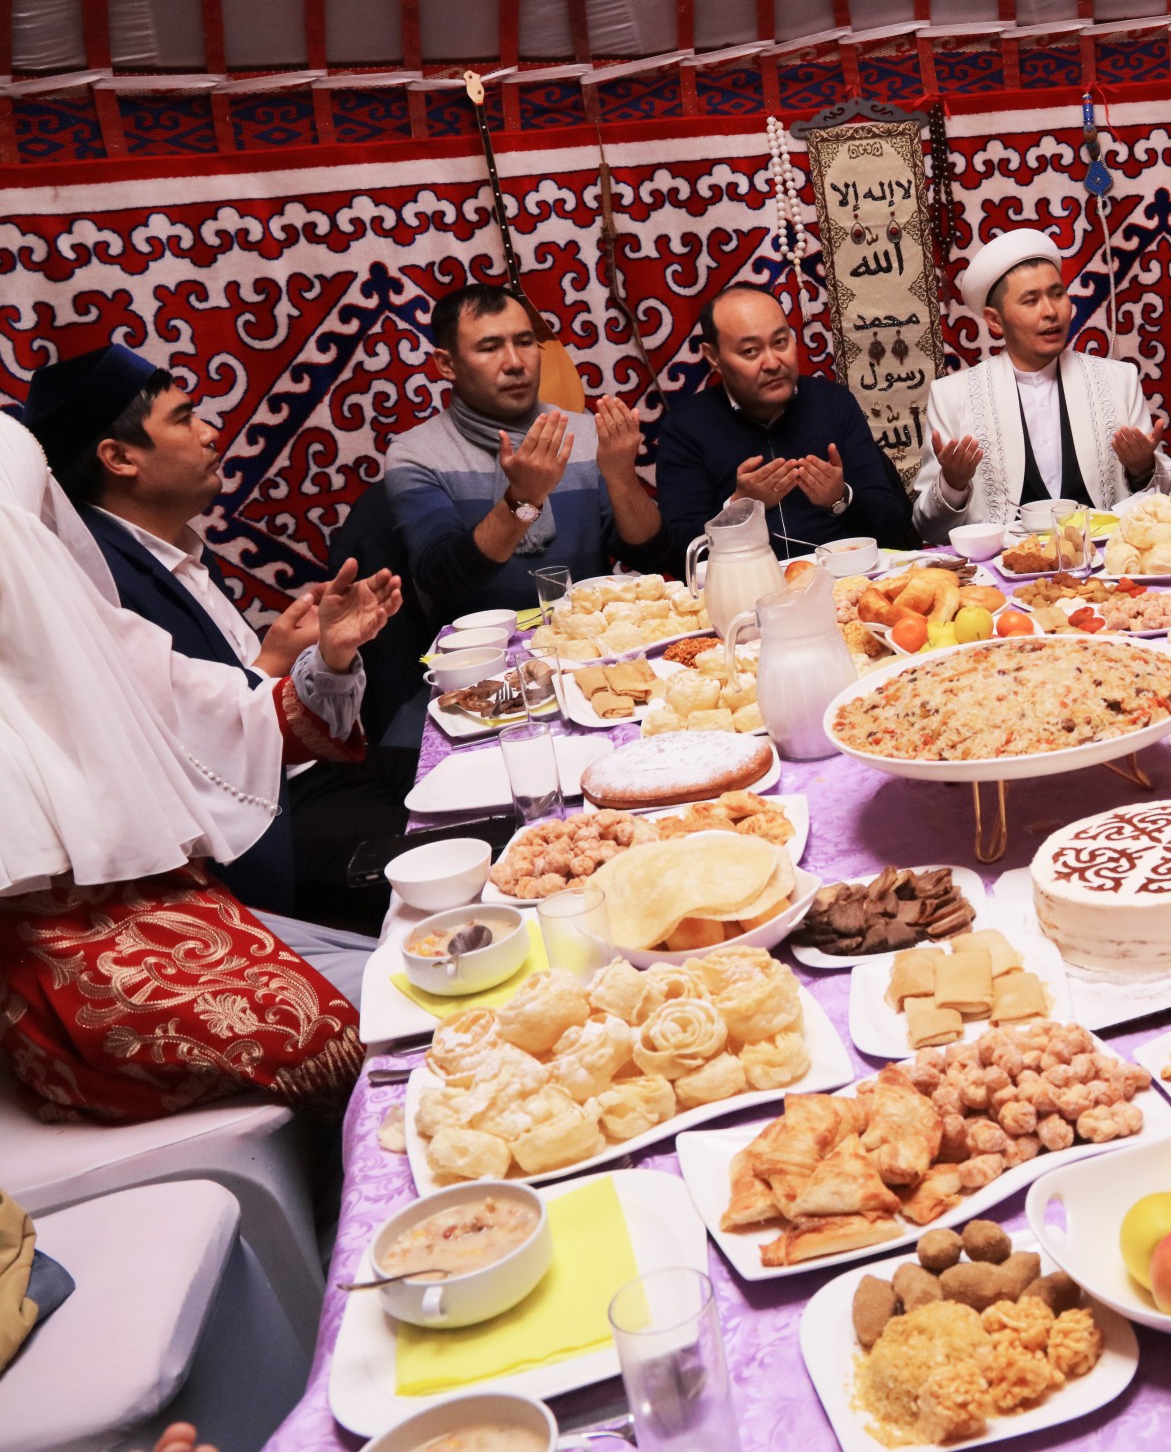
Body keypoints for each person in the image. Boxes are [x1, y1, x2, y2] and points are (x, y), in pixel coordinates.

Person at [0, 412, 390, 1123]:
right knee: (380, 1015)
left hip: (180, 906)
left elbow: (232, 712)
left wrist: (330, 658)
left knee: (413, 963)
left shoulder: (83, 633)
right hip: (68, 977)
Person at [21, 344, 405, 923]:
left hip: (319, 770)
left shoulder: (175, 547)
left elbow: (240, 690)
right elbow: (178, 753)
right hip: (269, 823)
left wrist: (312, 652)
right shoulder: (99, 586)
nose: (210, 433)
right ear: (119, 457)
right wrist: (279, 662)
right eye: (184, 418)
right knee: (484, 858)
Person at [385, 284, 672, 625]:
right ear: (447, 364)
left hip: (588, 637)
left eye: (524, 342)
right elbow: (442, 579)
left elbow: (651, 557)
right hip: (482, 649)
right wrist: (522, 500)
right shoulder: (415, 454)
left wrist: (622, 478)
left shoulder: (585, 434)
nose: (515, 363)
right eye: (490, 348)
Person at [913, 230, 1171, 542]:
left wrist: (1143, 469)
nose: (1050, 311)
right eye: (1031, 300)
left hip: (1106, 563)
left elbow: (1169, 505)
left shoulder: (1120, 380)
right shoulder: (951, 396)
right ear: (994, 320)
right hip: (1004, 567)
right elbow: (927, 528)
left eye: (1057, 294)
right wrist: (952, 483)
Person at [653, 283, 915, 560]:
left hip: (844, 576)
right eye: (750, 351)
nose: (772, 363)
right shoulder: (685, 427)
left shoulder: (833, 403)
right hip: (749, 580)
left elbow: (893, 522)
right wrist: (738, 510)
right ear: (713, 357)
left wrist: (840, 498)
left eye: (780, 342)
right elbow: (681, 552)